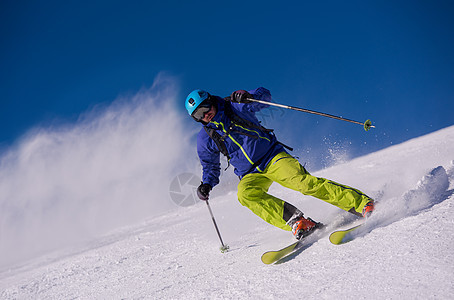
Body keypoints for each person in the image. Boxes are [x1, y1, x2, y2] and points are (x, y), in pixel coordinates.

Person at [185, 87, 374, 240]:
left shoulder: (233, 106)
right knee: (245, 194)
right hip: (250, 173)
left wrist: (249, 97)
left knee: (303, 183)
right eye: (198, 115)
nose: (205, 115)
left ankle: (361, 204)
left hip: (272, 157)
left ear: (211, 101)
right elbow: (210, 166)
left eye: (205, 108)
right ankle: (298, 222)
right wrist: (207, 184)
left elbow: (265, 96)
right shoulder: (205, 138)